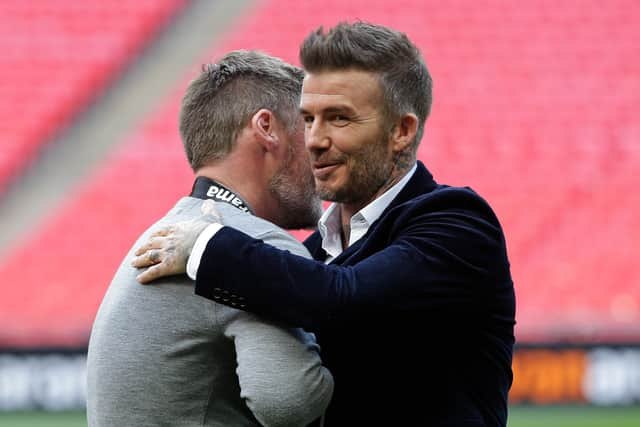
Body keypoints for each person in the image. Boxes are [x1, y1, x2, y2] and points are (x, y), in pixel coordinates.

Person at [134, 22, 516, 426]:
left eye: (338, 119)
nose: (313, 139)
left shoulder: (457, 225)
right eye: (308, 119)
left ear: (401, 131)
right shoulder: (313, 253)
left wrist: (206, 246)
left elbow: (344, 300)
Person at [87, 50, 334, 427]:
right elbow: (288, 403)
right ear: (267, 128)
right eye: (308, 126)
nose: (320, 148)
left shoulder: (164, 232)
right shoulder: (249, 244)